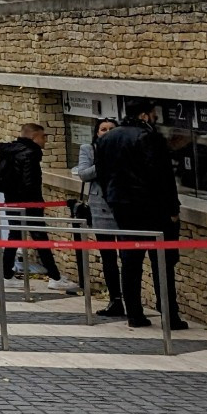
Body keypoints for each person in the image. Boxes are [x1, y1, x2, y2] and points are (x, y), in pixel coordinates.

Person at [95, 101, 184, 328]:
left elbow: (102, 174)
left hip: (122, 206)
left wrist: (112, 199)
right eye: (154, 114)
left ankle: (135, 314)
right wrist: (173, 209)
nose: (155, 118)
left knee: (130, 261)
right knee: (161, 262)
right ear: (145, 115)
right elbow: (162, 177)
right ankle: (169, 315)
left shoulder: (107, 139)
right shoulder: (149, 138)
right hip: (152, 208)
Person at [0, 122, 70, 288]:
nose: (45, 141)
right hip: (29, 202)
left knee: (15, 235)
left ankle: (6, 274)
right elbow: (30, 182)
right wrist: (36, 202)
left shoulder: (10, 150)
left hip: (12, 200)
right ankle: (55, 278)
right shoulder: (31, 153)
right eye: (43, 136)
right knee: (39, 237)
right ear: (34, 137)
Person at [73, 117, 124, 317]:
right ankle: (115, 299)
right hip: (100, 208)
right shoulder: (89, 149)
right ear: (97, 132)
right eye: (103, 129)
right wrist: (103, 163)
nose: (107, 132)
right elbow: (84, 174)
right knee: (108, 257)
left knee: (128, 256)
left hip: (122, 207)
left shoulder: (126, 148)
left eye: (111, 128)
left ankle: (131, 300)